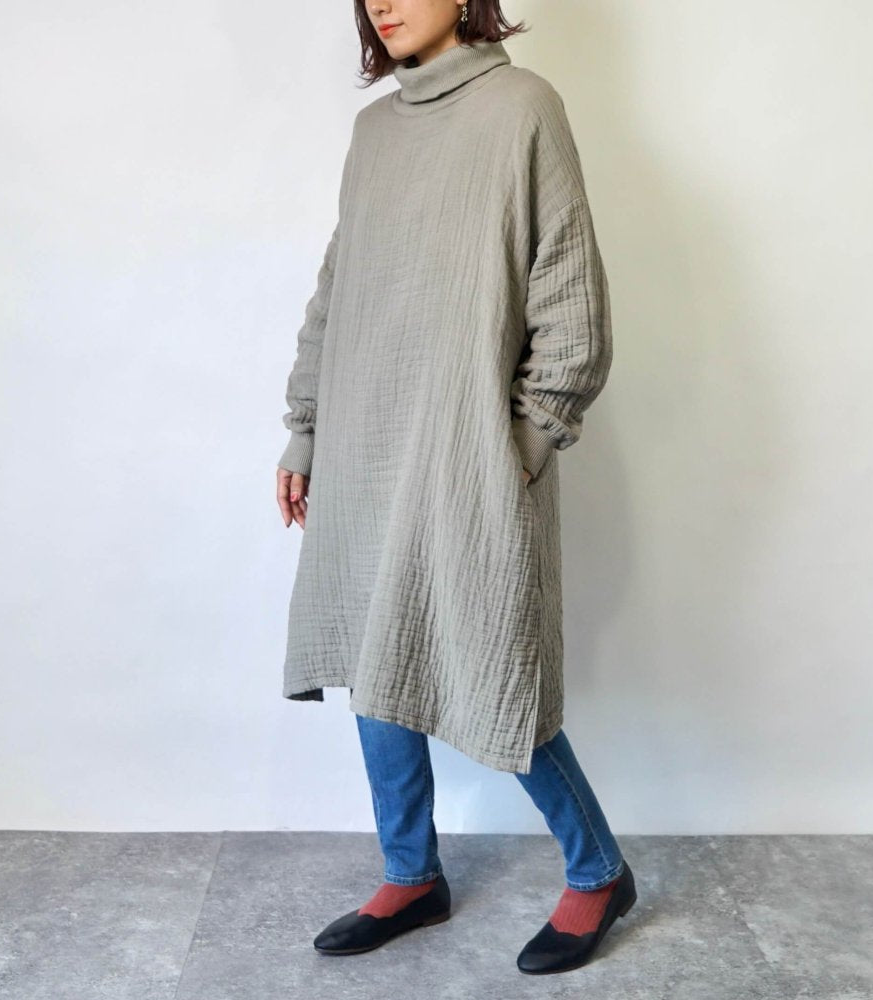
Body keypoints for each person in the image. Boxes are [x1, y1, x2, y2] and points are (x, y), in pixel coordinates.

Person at [274, 0, 634, 975]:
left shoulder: (522, 108)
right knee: (371, 645)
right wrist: (306, 430)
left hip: (466, 449)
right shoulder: (374, 133)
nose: (381, 4)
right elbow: (336, 290)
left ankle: (598, 870)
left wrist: (521, 442)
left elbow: (570, 295)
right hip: (364, 441)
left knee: (493, 660)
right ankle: (410, 873)